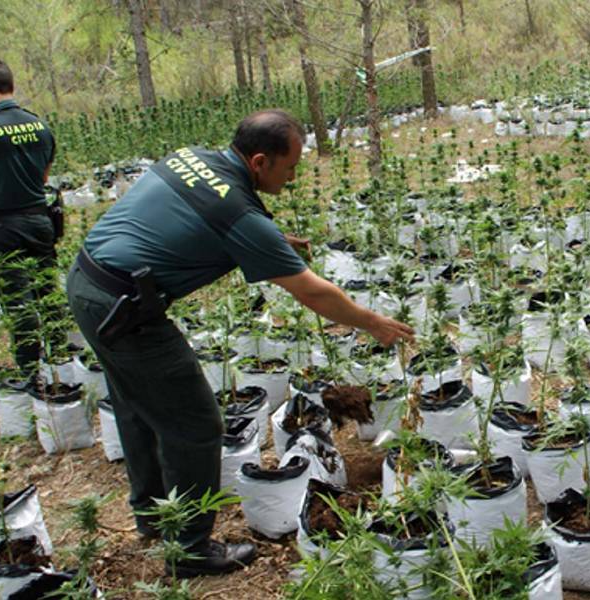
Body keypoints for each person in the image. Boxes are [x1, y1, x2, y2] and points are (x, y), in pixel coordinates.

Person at [66, 109, 414, 577]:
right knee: (195, 424)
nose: (293, 178)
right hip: (125, 312)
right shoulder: (241, 216)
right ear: (259, 162)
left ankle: (152, 514)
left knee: (136, 405)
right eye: (289, 167)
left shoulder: (189, 158)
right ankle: (190, 549)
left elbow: (190, 218)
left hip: (89, 283)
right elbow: (312, 293)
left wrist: (270, 241)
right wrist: (372, 322)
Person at [0, 58, 58, 380]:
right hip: (41, 223)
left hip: (1, 228)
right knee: (49, 296)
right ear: (12, 85)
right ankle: (61, 366)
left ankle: (31, 376)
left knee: (17, 303)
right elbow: (45, 177)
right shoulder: (40, 126)